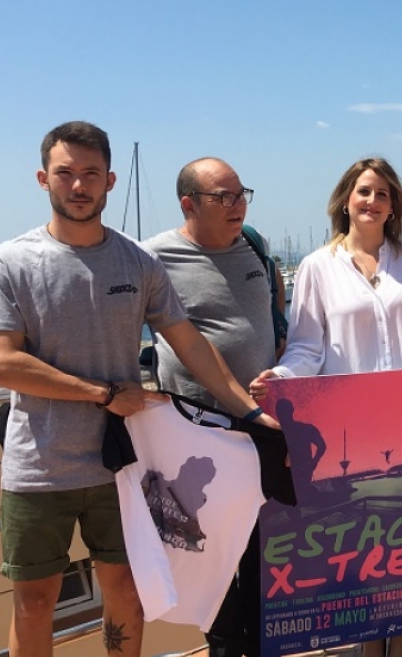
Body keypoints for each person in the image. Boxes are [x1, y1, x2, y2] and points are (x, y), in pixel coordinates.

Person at [0, 122, 275, 657]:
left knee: (128, 594)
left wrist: (251, 415)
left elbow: (191, 344)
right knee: (35, 604)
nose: (79, 185)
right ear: (43, 179)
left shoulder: (138, 262)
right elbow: (0, 364)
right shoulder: (8, 262)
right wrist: (105, 393)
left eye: (91, 173)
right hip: (37, 464)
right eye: (65, 173)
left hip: (123, 466)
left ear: (110, 181)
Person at [250, 157, 402, 657]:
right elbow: (306, 348)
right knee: (363, 552)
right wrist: (280, 379)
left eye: (382, 193)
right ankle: (371, 650)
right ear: (345, 201)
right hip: (349, 434)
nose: (372, 200)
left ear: (393, 205)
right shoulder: (316, 266)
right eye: (363, 191)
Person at [144, 157, 282, 657]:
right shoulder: (154, 257)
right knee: (213, 560)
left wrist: (282, 354)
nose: (236, 205)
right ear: (189, 204)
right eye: (223, 197)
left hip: (261, 428)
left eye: (241, 194)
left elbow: (274, 304)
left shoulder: (254, 244)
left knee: (263, 554)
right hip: (198, 433)